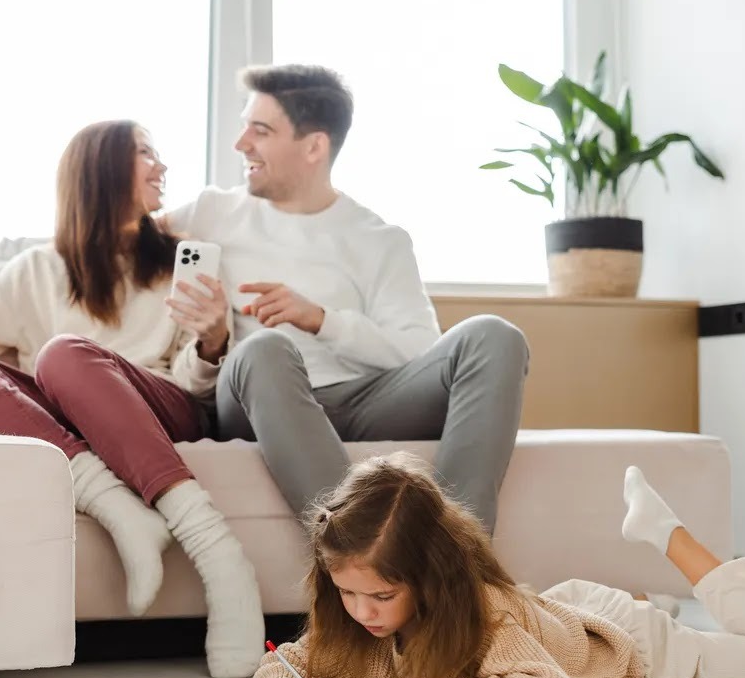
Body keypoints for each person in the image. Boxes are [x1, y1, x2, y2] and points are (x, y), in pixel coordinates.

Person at [0, 120, 263, 678]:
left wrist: (213, 338)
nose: (161, 167)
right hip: (69, 419)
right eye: (145, 154)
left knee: (63, 354)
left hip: (159, 407)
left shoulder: (182, 261)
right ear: (102, 170)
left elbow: (198, 384)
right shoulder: (37, 270)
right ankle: (117, 508)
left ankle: (219, 554)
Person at [163, 65, 530, 533]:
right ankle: (356, 549)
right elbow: (113, 235)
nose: (241, 144)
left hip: (362, 402)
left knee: (495, 335)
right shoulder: (212, 211)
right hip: (262, 397)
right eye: (244, 126)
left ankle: (462, 551)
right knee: (266, 347)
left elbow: (418, 351)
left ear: (314, 146)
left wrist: (321, 320)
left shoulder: (379, 238)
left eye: (260, 130)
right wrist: (211, 334)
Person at [252, 454, 745, 678]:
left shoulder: (484, 618)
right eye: (346, 592)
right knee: (571, 618)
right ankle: (650, 601)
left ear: (434, 578)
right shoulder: (358, 618)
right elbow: (288, 660)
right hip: (561, 619)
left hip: (634, 651)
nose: (361, 612)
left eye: (379, 594)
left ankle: (665, 533)